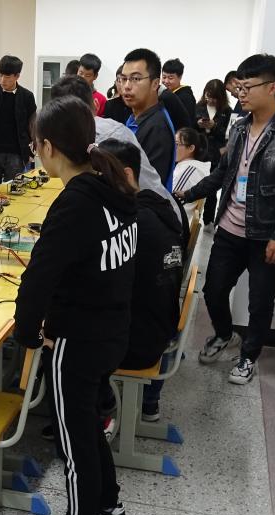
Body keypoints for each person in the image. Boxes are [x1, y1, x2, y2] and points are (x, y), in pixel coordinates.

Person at [14, 96, 135, 515]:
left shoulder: (75, 202)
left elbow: (37, 278)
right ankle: (109, 506)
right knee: (88, 425)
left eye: (35, 145)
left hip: (79, 339)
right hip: (111, 330)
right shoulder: (112, 189)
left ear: (47, 147)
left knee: (74, 437)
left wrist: (27, 334)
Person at [176, 54, 275, 385]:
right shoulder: (238, 128)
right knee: (214, 290)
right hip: (229, 229)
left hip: (266, 235)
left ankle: (249, 357)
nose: (241, 94)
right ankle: (225, 334)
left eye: (247, 87)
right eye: (239, 88)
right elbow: (222, 174)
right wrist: (185, 195)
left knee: (260, 302)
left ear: (272, 87)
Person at [98, 138, 185, 421]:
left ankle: (100, 412)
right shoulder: (159, 209)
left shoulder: (130, 224)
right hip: (160, 330)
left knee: (58, 334)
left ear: (126, 174)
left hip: (138, 343)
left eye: (100, 176)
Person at [50, 75, 175, 220]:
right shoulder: (115, 126)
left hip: (149, 221)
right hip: (165, 210)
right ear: (96, 104)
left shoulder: (88, 136)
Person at [120, 49, 176, 192]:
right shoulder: (135, 117)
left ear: (155, 84)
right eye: (123, 79)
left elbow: (148, 189)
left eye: (136, 79)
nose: (126, 86)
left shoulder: (157, 127)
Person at [0, 55, 37, 189]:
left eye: (7, 77)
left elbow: (32, 123)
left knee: (13, 191)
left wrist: (33, 147)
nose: (2, 80)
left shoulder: (27, 96)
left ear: (17, 76)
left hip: (16, 153)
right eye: (0, 75)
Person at [195, 79, 232, 226]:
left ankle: (208, 220)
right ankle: (192, 217)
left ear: (220, 97)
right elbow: (190, 127)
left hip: (216, 153)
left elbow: (228, 134)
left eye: (214, 98)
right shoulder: (198, 106)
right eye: (208, 96)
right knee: (195, 183)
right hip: (199, 151)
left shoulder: (226, 111)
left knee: (211, 188)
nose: (210, 100)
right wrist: (198, 124)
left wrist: (214, 126)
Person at [172, 127, 211, 227]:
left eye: (177, 144)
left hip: (174, 225)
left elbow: (171, 203)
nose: (173, 147)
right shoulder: (189, 166)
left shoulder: (189, 170)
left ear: (191, 148)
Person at [161, 58, 196, 127]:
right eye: (164, 77)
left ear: (180, 77)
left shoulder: (186, 97)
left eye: (170, 78)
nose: (166, 81)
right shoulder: (163, 93)